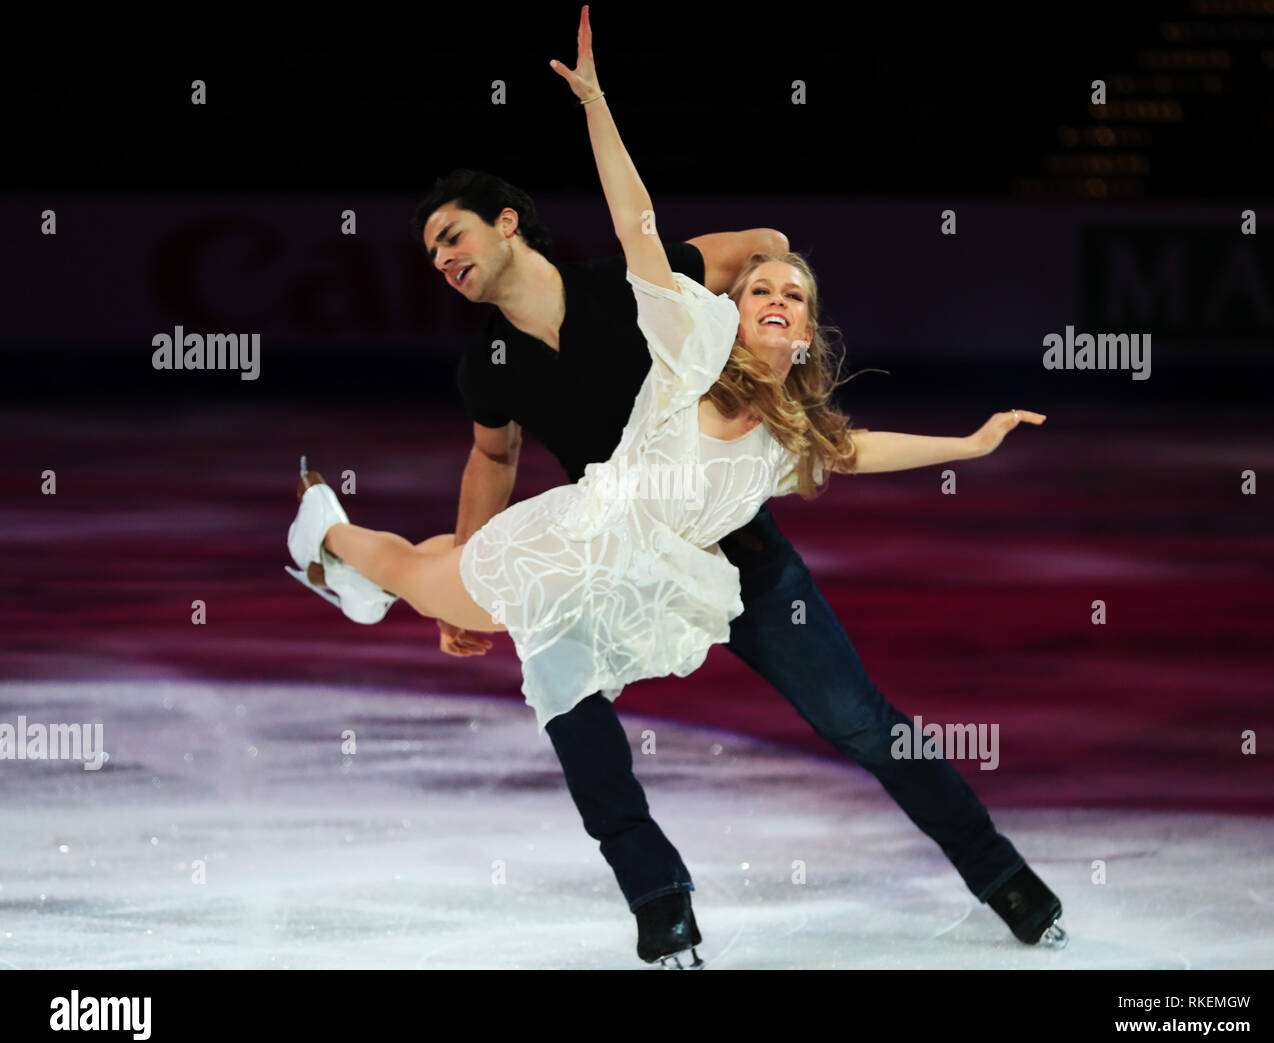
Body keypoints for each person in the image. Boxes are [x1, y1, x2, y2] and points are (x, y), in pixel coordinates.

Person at [287, 5, 1064, 966]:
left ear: (507, 221)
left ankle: (1004, 878)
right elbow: (501, 445)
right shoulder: (658, 338)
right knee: (525, 667)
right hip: (585, 550)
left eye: (453, 236)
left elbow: (848, 442)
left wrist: (964, 440)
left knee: (862, 719)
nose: (444, 260)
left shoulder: (680, 336)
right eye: (431, 252)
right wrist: (598, 105)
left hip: (730, 565)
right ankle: (325, 535)